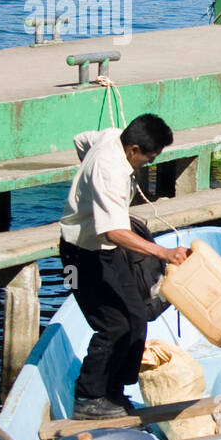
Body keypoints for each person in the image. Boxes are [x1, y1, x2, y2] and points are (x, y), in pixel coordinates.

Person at [59, 114, 189, 420]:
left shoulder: (110, 136)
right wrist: (164, 253)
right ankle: (89, 398)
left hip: (107, 251)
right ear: (132, 149)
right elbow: (113, 231)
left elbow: (81, 139)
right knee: (112, 324)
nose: (148, 163)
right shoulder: (111, 171)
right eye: (148, 158)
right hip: (78, 256)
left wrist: (90, 193)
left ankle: (113, 392)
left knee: (137, 315)